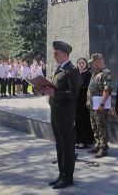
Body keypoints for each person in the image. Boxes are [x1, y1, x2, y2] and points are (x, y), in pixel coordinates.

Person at [39, 41, 80, 189]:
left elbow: (74, 94)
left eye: (56, 53)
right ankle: (62, 174)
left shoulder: (72, 70)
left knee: (67, 145)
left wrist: (55, 93)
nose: (54, 55)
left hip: (66, 114)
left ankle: (68, 177)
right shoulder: (58, 69)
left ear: (65, 54)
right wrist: (43, 89)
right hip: (55, 112)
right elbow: (54, 88)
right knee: (59, 144)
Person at [87, 53, 113, 158]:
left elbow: (107, 90)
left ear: (97, 61)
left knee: (101, 126)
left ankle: (103, 148)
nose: (92, 65)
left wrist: (102, 104)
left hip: (100, 106)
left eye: (93, 62)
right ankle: (98, 145)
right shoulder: (95, 73)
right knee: (95, 126)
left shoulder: (106, 73)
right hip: (93, 105)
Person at [74, 57, 94, 149]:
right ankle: (78, 140)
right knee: (77, 121)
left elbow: (88, 88)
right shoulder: (75, 74)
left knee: (84, 121)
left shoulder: (88, 74)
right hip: (75, 102)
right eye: (79, 63)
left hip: (84, 102)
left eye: (83, 63)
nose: (81, 64)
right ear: (77, 65)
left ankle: (85, 141)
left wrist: (77, 89)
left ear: (86, 65)